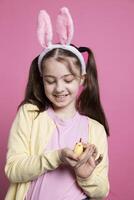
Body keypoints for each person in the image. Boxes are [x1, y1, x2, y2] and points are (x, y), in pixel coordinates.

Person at [4, 7, 110, 200]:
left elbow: (102, 191)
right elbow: (13, 170)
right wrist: (56, 157)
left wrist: (86, 177)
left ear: (82, 79)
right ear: (42, 79)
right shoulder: (30, 114)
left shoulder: (95, 129)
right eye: (50, 81)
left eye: (68, 80)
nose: (59, 88)